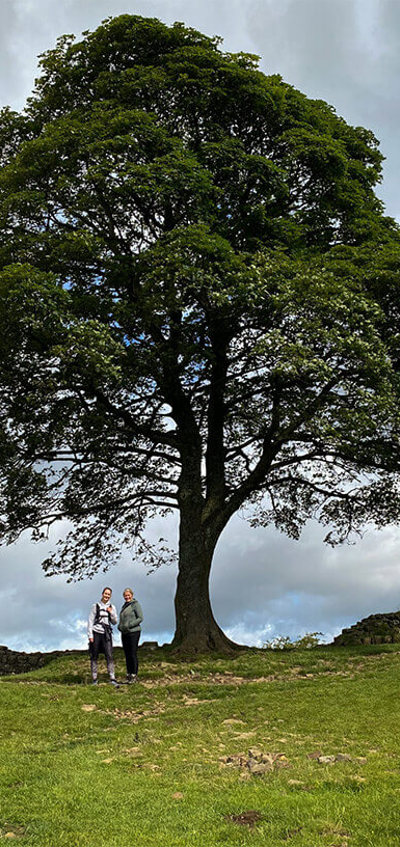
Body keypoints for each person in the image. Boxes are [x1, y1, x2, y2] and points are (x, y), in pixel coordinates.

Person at [88, 587, 119, 687]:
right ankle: (94, 678)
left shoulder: (112, 607)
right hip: (96, 632)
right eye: (105, 594)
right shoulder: (95, 606)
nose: (107, 596)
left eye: (109, 594)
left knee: (109, 656)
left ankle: (112, 678)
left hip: (107, 633)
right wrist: (90, 635)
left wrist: (111, 612)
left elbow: (115, 622)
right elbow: (90, 621)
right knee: (94, 656)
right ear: (102, 594)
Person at [118, 587, 143, 683]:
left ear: (132, 595)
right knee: (127, 654)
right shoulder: (124, 606)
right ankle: (128, 674)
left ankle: (134, 675)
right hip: (125, 633)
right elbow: (122, 619)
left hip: (134, 632)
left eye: (128, 595)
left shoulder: (135, 605)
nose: (127, 597)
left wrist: (129, 625)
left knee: (132, 653)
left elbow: (140, 618)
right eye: (125, 596)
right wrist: (120, 626)